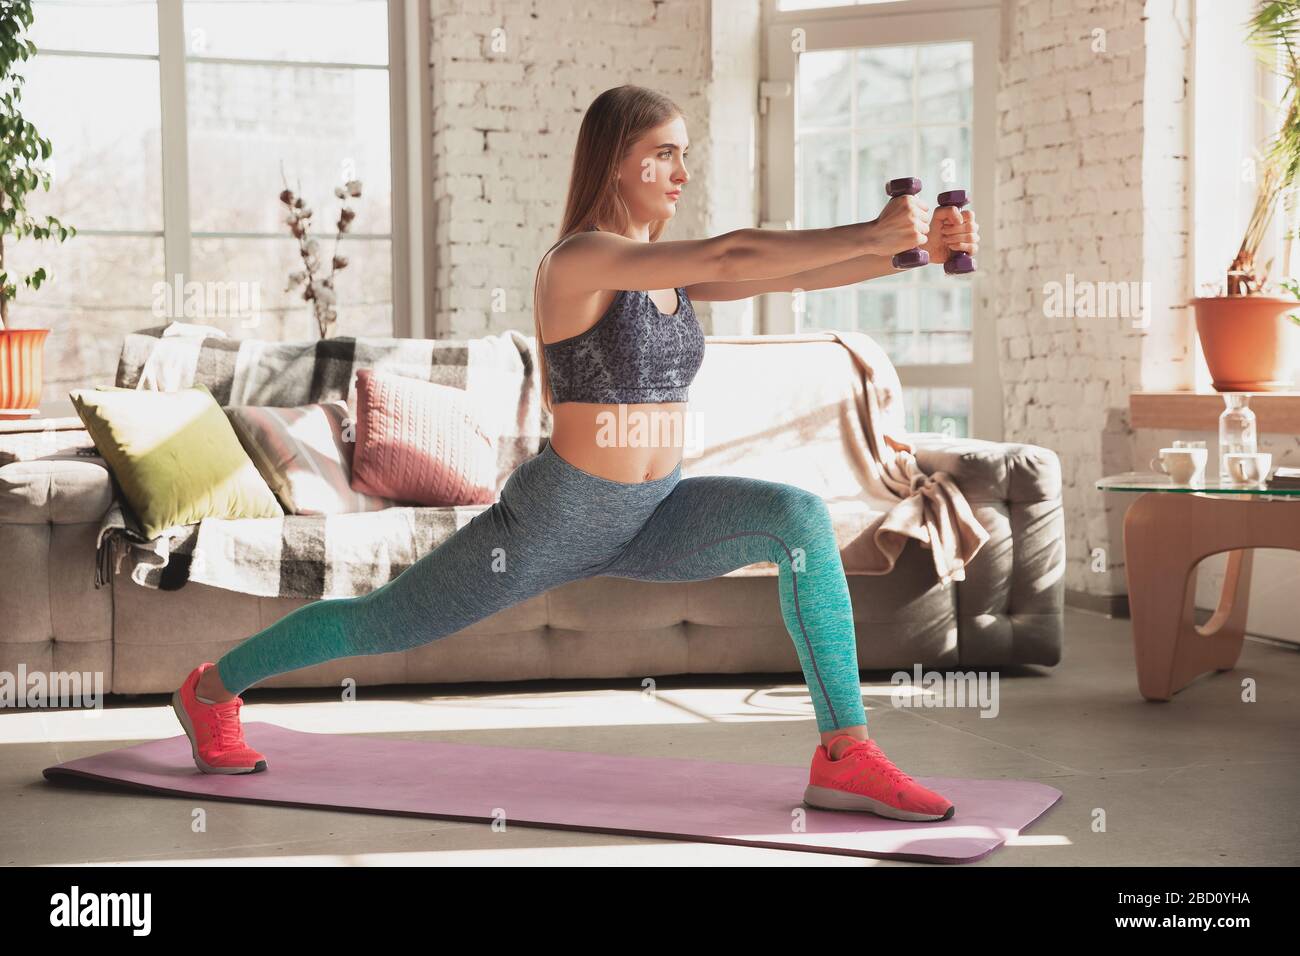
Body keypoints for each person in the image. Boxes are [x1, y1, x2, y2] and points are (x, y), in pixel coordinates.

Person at [172, 84, 978, 823]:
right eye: (661, 153)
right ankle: (210, 691)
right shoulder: (581, 261)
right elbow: (735, 252)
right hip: (552, 522)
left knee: (798, 518)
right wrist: (874, 231)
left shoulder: (669, 278)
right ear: (614, 161)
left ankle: (846, 754)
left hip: (657, 513)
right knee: (383, 623)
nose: (679, 171)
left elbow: (786, 274)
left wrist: (909, 254)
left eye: (684, 153)